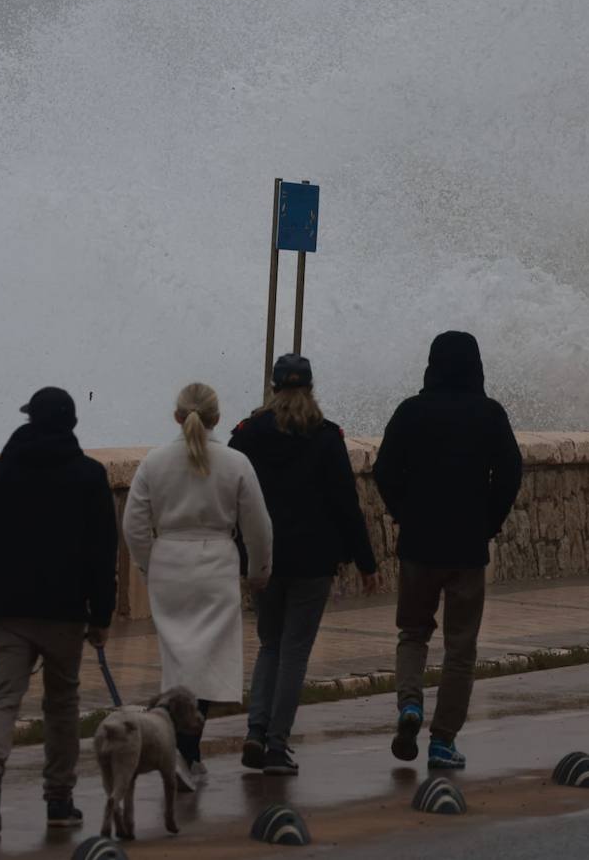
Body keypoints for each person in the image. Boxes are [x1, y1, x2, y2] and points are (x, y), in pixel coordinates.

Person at [0, 386, 119, 837]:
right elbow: (102, 553)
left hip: (10, 610)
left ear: (31, 420)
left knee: (3, 698)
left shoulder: (2, 471)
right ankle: (59, 799)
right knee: (62, 705)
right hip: (65, 612)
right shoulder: (90, 476)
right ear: (71, 424)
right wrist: (102, 616)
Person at [373, 331, 523, 770]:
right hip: (466, 548)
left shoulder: (411, 411)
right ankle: (442, 741)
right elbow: (511, 472)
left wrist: (403, 511)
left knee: (413, 632)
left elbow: (384, 469)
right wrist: (489, 520)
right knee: (460, 646)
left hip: (419, 544)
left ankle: (409, 707)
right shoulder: (489, 414)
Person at [229, 354, 380, 776]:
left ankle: (255, 732)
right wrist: (366, 562)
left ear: (273, 387)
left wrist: (236, 550)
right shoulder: (326, 436)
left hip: (265, 559)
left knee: (270, 644)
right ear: (311, 388)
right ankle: (277, 744)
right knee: (294, 651)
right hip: (313, 560)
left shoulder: (249, 433)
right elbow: (345, 504)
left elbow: (229, 489)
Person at [122, 381, 272, 789]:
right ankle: (187, 749)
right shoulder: (236, 463)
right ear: (217, 419)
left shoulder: (154, 463)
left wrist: (150, 564)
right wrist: (258, 570)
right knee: (204, 662)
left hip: (169, 565)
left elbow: (134, 524)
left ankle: (182, 750)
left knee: (178, 660)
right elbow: (258, 526)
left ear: (176, 416)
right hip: (216, 568)